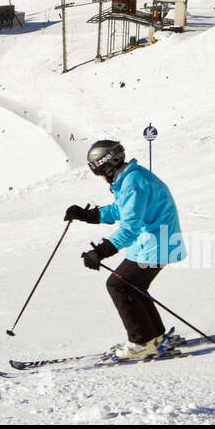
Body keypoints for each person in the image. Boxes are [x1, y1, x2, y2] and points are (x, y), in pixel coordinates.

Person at [64, 140, 186, 360]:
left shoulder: (133, 182)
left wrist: (101, 251)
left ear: (107, 167)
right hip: (155, 242)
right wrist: (87, 215)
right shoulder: (130, 178)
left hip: (156, 243)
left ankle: (141, 342)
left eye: (99, 172)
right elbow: (121, 209)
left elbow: (130, 226)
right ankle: (154, 336)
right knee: (134, 287)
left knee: (118, 285)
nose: (100, 177)